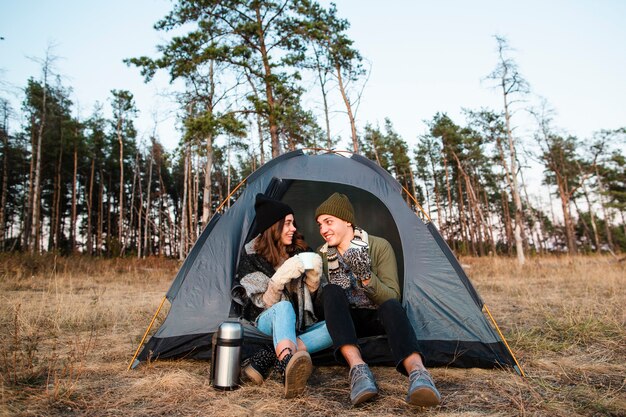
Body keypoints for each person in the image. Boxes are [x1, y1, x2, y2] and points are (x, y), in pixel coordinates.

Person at [314, 192, 441, 407]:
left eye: (328, 222)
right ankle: (359, 371)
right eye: (319, 224)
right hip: (347, 323)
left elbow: (393, 295)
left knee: (391, 305)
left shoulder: (378, 246)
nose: (323, 230)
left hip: (377, 317)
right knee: (331, 291)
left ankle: (419, 375)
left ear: (347, 221)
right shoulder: (322, 255)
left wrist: (365, 276)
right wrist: (311, 285)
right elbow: (325, 306)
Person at [232, 193, 332, 398]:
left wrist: (313, 284)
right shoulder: (251, 256)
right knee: (284, 308)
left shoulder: (301, 250)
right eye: (287, 223)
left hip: (298, 323)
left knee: (336, 326)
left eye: (293, 223)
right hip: (266, 320)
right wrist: (278, 280)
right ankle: (287, 366)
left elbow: (316, 306)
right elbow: (259, 305)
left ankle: (273, 354)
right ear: (273, 226)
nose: (293, 228)